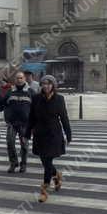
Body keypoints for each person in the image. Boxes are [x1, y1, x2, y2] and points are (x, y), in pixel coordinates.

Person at [27, 74, 72, 203]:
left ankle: (44, 189)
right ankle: (57, 176)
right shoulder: (36, 99)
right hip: (40, 134)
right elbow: (31, 118)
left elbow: (64, 118)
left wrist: (68, 134)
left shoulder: (59, 99)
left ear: (53, 86)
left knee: (47, 162)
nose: (46, 86)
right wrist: (27, 133)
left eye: (49, 83)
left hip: (53, 134)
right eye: (44, 83)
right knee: (45, 161)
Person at [2, 71, 34, 172]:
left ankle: (23, 164)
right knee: (10, 143)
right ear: (15, 80)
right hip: (12, 123)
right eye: (17, 78)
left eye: (21, 78)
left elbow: (36, 108)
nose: (19, 80)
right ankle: (13, 163)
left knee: (24, 145)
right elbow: (2, 104)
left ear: (25, 79)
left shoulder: (30, 92)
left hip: (25, 123)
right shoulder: (10, 91)